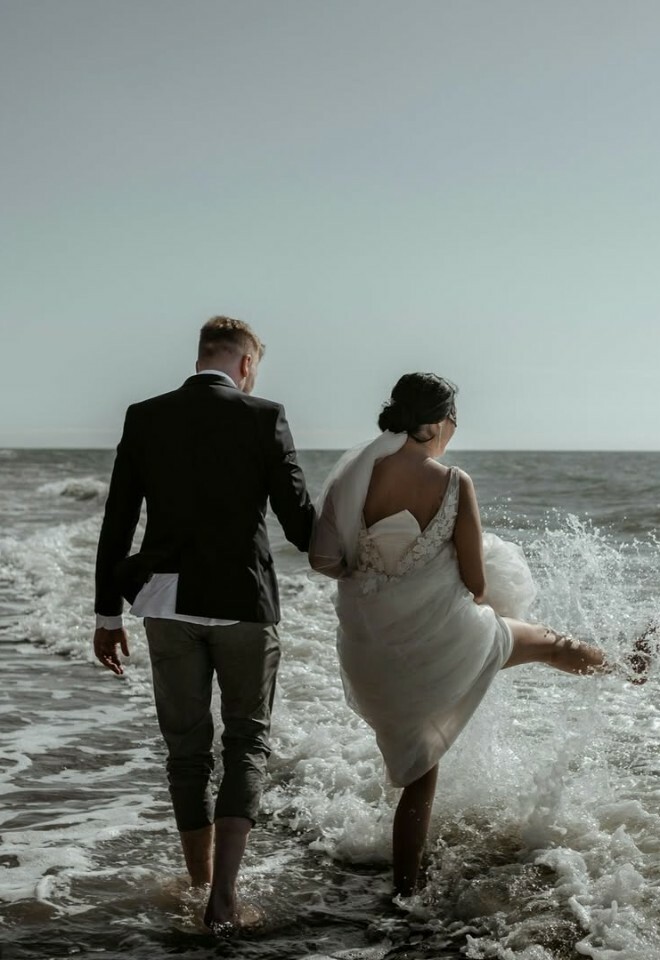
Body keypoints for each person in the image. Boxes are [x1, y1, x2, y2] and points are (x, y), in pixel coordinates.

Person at [310, 372, 609, 899]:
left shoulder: (353, 476)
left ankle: (405, 893)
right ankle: (625, 665)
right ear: (440, 420)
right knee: (545, 641)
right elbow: (475, 582)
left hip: (368, 652)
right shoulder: (451, 481)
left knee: (418, 773)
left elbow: (327, 560)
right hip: (441, 643)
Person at [93, 316, 314, 930]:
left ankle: (198, 881)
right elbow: (298, 522)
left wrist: (106, 610)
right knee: (246, 740)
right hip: (244, 603)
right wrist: (354, 552)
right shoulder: (264, 415)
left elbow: (118, 519)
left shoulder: (146, 416)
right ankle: (225, 895)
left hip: (166, 605)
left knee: (187, 751)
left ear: (202, 357)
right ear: (246, 364)